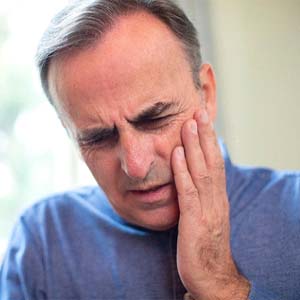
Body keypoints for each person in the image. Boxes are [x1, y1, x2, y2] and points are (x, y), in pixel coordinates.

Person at [0, 0, 299, 299]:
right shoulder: (41, 244)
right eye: (98, 137)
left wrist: (221, 286)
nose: (137, 165)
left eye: (155, 119)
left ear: (206, 95)